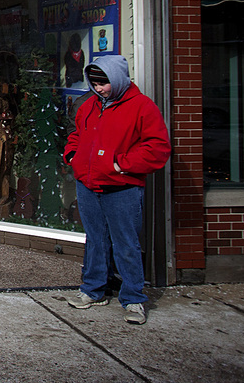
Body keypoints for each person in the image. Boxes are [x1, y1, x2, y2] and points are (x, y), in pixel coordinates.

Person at [63, 55, 171, 324]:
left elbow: (158, 148)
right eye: (95, 83)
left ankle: (134, 298)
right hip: (88, 183)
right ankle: (92, 290)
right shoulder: (88, 106)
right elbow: (76, 135)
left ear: (119, 79)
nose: (98, 89)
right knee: (95, 240)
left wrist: (121, 164)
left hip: (122, 187)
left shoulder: (142, 107)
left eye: (104, 83)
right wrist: (72, 155)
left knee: (126, 243)